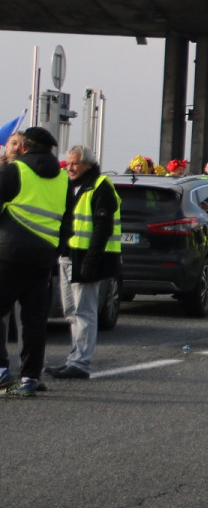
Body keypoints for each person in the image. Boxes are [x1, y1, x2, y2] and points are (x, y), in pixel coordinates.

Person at [0, 127, 69, 397]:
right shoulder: (63, 179)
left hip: (7, 253)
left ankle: (2, 372)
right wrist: (53, 251)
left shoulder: (13, 171)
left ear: (25, 148)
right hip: (42, 259)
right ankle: (29, 377)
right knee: (34, 320)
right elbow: (68, 223)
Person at [46, 145, 122, 380]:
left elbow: (103, 227)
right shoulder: (69, 185)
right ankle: (74, 358)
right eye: (68, 162)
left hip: (88, 258)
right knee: (70, 310)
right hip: (69, 256)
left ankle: (81, 363)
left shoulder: (101, 186)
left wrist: (91, 260)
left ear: (88, 164)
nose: (69, 167)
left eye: (75, 163)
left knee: (84, 311)